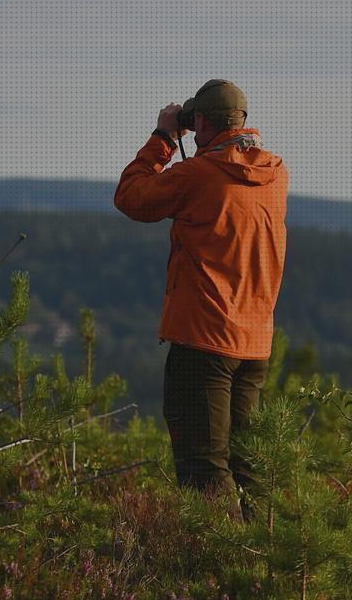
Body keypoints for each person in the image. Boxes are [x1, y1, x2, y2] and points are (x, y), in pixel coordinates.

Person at [113, 79, 289, 509]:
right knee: (247, 464)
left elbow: (132, 198)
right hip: (254, 345)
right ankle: (264, 560)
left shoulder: (199, 174)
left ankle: (216, 566)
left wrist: (164, 138)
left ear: (203, 123)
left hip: (204, 341)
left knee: (204, 466)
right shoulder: (276, 174)